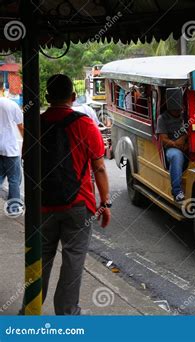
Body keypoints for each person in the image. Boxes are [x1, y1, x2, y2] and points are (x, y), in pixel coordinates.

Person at [40, 74, 111, 315]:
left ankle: (30, 308)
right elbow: (99, 167)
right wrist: (106, 202)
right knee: (73, 260)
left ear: (47, 97)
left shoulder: (36, 123)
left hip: (43, 206)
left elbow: (27, 162)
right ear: (72, 97)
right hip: (79, 205)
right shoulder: (85, 124)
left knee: (41, 258)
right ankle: (67, 315)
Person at [0, 83, 24, 214]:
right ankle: (13, 209)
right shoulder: (11, 104)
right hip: (10, 149)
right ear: (3, 88)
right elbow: (21, 126)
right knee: (14, 180)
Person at [157, 107, 188, 202]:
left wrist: (185, 140)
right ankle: (177, 191)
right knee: (176, 156)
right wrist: (176, 144)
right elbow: (163, 140)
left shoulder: (186, 116)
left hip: (187, 146)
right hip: (172, 149)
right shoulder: (162, 118)